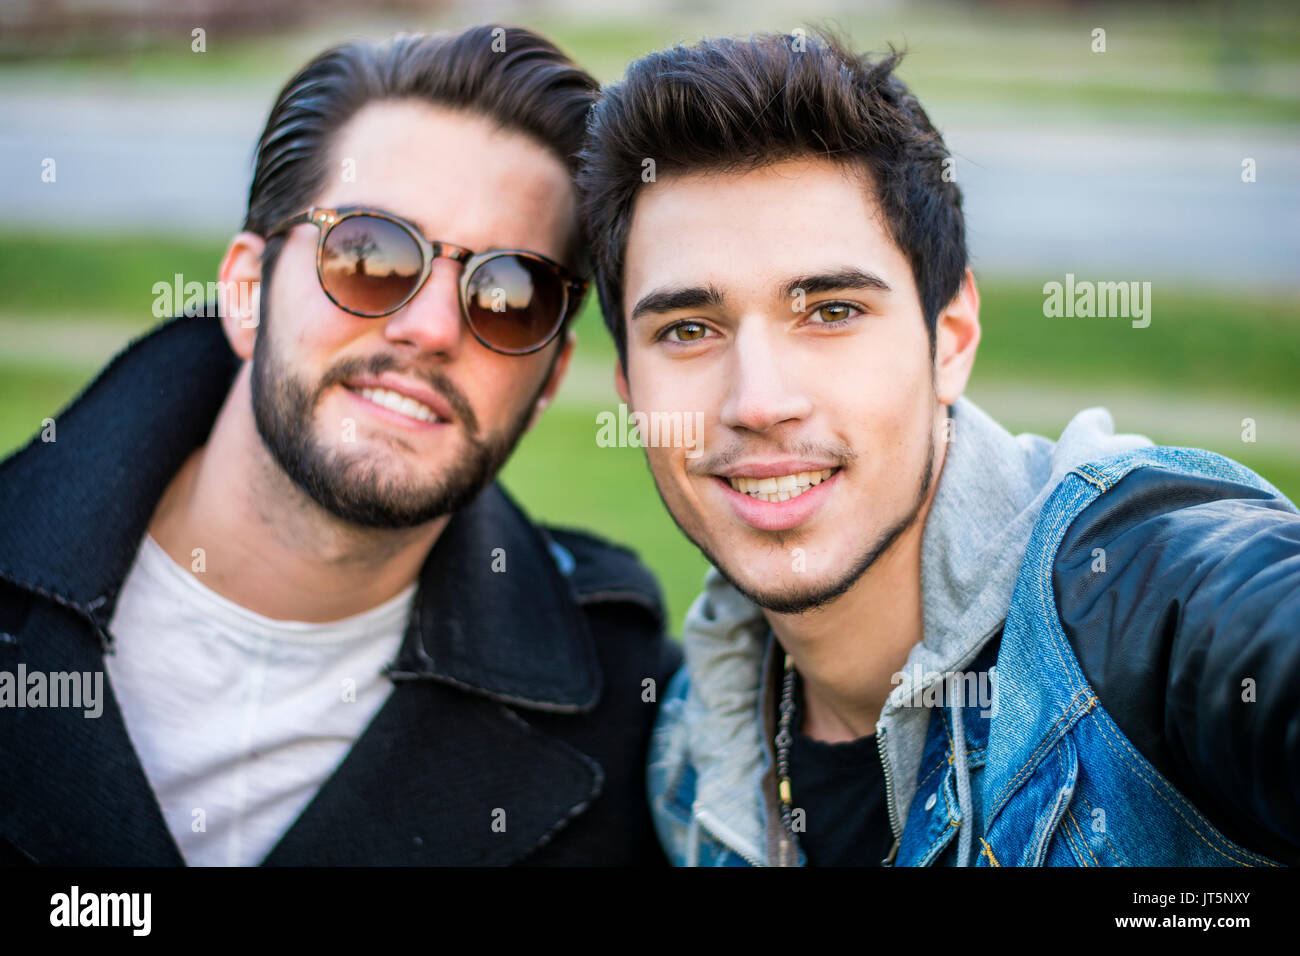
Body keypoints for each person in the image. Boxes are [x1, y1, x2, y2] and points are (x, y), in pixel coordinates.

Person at [576, 29, 1300, 867]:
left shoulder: (1131, 589)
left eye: (832, 311)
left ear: (950, 337)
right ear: (629, 390)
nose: (759, 402)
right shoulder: (688, 764)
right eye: (689, 329)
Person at [0, 26, 679, 866]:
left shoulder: (634, 718)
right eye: (369, 252)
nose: (430, 328)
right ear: (246, 292)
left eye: (510, 293)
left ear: (547, 378)